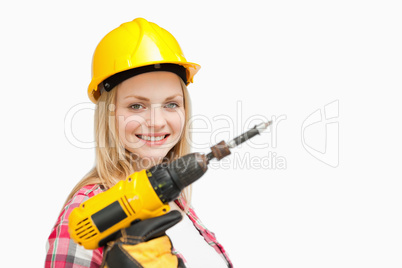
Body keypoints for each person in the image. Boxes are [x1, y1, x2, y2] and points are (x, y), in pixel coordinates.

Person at [45, 18, 233, 267]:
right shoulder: (87, 213)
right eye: (136, 105)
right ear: (109, 114)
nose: (156, 122)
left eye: (171, 104)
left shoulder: (174, 200)